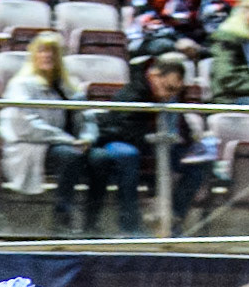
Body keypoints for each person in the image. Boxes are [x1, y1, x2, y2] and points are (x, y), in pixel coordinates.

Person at [89, 52, 208, 235]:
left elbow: (180, 128)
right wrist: (152, 139)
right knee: (128, 155)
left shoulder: (171, 97)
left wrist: (190, 145)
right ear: (153, 76)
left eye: (177, 90)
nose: (172, 95)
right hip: (119, 142)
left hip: (158, 146)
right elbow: (122, 129)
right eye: (169, 88)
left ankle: (172, 219)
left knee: (198, 164)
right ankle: (129, 227)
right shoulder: (132, 93)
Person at [0, 32, 97, 234]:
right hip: (33, 145)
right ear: (34, 55)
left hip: (68, 143)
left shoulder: (69, 87)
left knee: (102, 159)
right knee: (70, 156)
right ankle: (62, 215)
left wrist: (88, 137)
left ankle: (92, 222)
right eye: (43, 51)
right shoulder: (21, 85)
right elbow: (27, 126)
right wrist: (68, 140)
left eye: (53, 51)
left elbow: (88, 117)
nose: (48, 56)